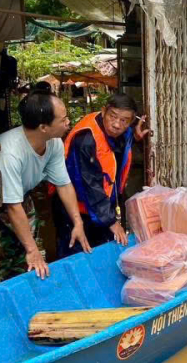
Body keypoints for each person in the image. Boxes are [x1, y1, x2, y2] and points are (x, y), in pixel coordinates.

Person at [0, 90, 91, 280]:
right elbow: (12, 207)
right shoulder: (10, 153)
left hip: (20, 198)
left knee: (29, 256)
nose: (68, 123)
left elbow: (63, 184)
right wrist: (32, 250)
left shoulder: (54, 142)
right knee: (6, 261)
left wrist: (77, 222)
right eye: (63, 119)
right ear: (43, 127)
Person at [53, 94, 150, 258]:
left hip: (100, 207)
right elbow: (89, 184)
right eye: (113, 116)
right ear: (104, 111)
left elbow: (114, 153)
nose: (117, 124)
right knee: (78, 256)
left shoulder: (121, 132)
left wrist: (133, 138)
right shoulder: (86, 139)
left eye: (125, 120)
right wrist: (110, 221)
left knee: (101, 253)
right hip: (76, 209)